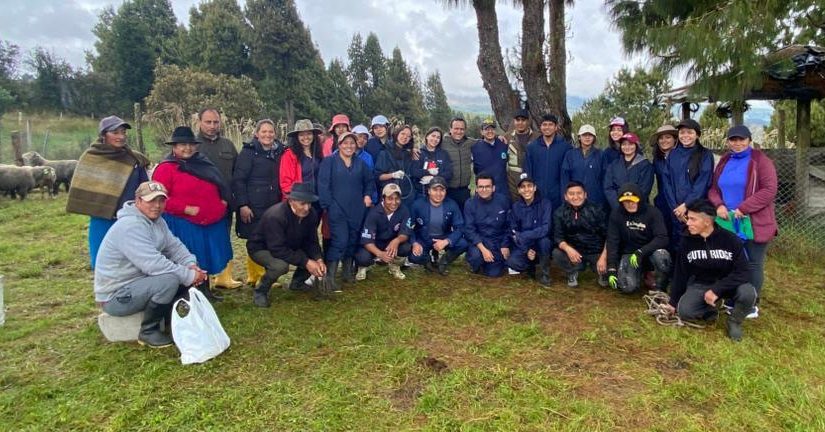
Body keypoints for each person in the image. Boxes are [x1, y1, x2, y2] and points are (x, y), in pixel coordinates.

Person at [94, 181, 208, 348]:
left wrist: (191, 265)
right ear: (138, 201)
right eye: (151, 201)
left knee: (179, 276)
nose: (157, 206)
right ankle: (148, 331)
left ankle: (170, 318)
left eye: (161, 201)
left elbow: (174, 246)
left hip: (138, 284)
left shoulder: (157, 221)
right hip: (116, 296)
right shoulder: (130, 226)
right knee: (169, 280)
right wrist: (190, 275)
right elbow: (154, 265)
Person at [152, 126, 233, 303]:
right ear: (174, 146)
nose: (187, 148)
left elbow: (219, 183)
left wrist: (223, 202)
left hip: (210, 221)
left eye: (190, 144)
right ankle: (190, 294)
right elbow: (160, 199)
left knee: (206, 256)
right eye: (182, 145)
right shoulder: (166, 169)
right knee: (192, 257)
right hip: (184, 223)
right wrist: (185, 208)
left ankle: (206, 290)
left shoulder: (202, 162)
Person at [708, 125, 777, 318]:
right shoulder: (724, 161)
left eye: (742, 139)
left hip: (753, 221)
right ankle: (731, 298)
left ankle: (750, 304)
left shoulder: (761, 161)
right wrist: (719, 205)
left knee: (753, 263)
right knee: (731, 261)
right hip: (727, 221)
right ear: (728, 141)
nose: (737, 144)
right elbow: (713, 189)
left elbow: (769, 190)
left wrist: (743, 208)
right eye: (733, 140)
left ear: (749, 140)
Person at [663, 199, 757, 341]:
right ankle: (712, 308)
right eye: (688, 218)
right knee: (685, 311)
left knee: (748, 293)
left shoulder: (730, 239)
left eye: (693, 219)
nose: (688, 223)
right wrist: (673, 302)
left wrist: (717, 289)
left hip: (729, 283)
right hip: (701, 284)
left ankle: (734, 322)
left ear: (707, 222)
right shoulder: (686, 241)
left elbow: (743, 272)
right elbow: (680, 273)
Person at [67, 115, 150, 268]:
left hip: (130, 218)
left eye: (123, 132)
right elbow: (86, 184)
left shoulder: (134, 159)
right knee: (101, 261)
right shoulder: (92, 157)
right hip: (102, 217)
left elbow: (144, 187)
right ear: (104, 134)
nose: (121, 136)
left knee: (132, 261)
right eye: (115, 132)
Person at [246, 182, 325, 307]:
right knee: (280, 266)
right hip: (261, 248)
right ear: (291, 201)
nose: (307, 208)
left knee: (316, 256)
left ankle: (297, 283)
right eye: (303, 203)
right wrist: (306, 262)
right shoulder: (276, 216)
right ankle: (261, 291)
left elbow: (312, 241)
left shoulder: (311, 214)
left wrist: (318, 259)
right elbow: (277, 249)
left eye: (309, 203)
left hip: (289, 245)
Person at [318, 132, 376, 291]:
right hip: (336, 209)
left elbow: (369, 182)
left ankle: (347, 272)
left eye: (352, 143)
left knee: (352, 240)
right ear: (339, 144)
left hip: (357, 209)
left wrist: (367, 195)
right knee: (340, 241)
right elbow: (323, 185)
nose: (349, 146)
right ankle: (329, 276)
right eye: (345, 143)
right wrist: (328, 206)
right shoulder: (329, 162)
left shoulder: (361, 163)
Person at [232, 119, 284, 286]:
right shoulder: (248, 153)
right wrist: (242, 204)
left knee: (269, 237)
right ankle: (255, 276)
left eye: (270, 132)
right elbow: (239, 180)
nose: (267, 135)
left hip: (272, 203)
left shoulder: (279, 152)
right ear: (257, 134)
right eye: (264, 132)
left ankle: (266, 272)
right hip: (253, 204)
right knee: (255, 239)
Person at [195, 108, 242, 290]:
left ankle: (224, 277)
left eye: (216, 122)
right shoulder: (193, 145)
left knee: (222, 239)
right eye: (208, 122)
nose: (212, 126)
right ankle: (202, 282)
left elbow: (237, 174)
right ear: (200, 122)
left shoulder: (227, 145)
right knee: (202, 242)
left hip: (225, 204)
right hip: (201, 206)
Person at [605, 183, 671, 294]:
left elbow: (662, 238)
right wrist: (611, 268)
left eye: (633, 200)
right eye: (626, 202)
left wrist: (641, 252)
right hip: (629, 254)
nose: (630, 204)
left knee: (662, 257)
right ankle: (639, 274)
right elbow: (612, 241)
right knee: (627, 287)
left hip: (650, 252)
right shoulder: (616, 214)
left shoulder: (653, 212)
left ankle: (660, 285)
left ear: (639, 199)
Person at [662, 118, 714, 249]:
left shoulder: (705, 155)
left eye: (689, 132)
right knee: (677, 243)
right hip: (675, 211)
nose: (685, 136)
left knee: (695, 242)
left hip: (695, 208)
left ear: (697, 135)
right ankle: (677, 269)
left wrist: (686, 206)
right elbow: (666, 182)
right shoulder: (673, 154)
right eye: (682, 132)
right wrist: (676, 209)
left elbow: (702, 183)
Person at [552, 181, 608, 287]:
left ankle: (602, 273)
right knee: (556, 253)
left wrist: (603, 257)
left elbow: (609, 236)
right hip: (575, 253)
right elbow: (557, 237)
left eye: (579, 193)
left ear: (585, 195)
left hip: (596, 252)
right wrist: (568, 249)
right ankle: (572, 272)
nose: (575, 197)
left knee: (612, 257)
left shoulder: (597, 210)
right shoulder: (559, 212)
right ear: (565, 196)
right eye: (571, 194)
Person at [408, 176, 467, 275]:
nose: (438, 194)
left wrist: (447, 241)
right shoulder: (417, 205)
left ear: (446, 192)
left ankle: (443, 262)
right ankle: (428, 262)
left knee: (463, 244)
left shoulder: (452, 205)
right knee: (414, 256)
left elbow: (460, 227)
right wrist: (414, 243)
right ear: (429, 191)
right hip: (424, 238)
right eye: (435, 190)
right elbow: (409, 227)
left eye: (442, 190)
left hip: (444, 236)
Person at [355, 183, 413, 281]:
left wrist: (397, 240)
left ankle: (394, 266)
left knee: (406, 247)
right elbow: (367, 240)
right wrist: (380, 254)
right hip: (375, 245)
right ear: (383, 198)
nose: (394, 202)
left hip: (391, 245)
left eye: (397, 198)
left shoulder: (404, 210)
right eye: (390, 198)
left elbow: (406, 232)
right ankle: (363, 267)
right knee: (362, 257)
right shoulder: (373, 213)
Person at [506, 174, 553, 286]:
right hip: (525, 245)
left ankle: (544, 273)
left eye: (529, 186)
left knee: (545, 242)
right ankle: (530, 267)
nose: (526, 189)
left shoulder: (545, 203)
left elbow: (546, 228)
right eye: (523, 187)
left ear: (535, 188)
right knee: (512, 262)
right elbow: (513, 232)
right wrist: (526, 250)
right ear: (518, 190)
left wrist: (525, 235)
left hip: (540, 242)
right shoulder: (516, 207)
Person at [463, 174, 511, 277]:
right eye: (481, 187)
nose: (484, 189)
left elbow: (509, 225)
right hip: (479, 241)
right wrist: (483, 250)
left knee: (494, 274)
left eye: (487, 186)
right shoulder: (470, 204)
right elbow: (469, 230)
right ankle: (475, 262)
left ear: (493, 188)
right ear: (476, 188)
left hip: (497, 240)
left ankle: (494, 263)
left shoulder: (503, 201)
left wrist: (505, 245)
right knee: (476, 257)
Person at [524, 113, 571, 211]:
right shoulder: (532, 147)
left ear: (556, 127)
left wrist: (565, 194)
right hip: (537, 196)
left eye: (550, 124)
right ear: (540, 127)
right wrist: (530, 193)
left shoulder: (565, 147)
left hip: (558, 196)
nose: (547, 127)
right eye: (544, 125)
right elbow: (528, 172)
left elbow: (567, 173)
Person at [603, 132, 653, 210]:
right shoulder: (613, 165)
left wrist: (631, 206)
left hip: (638, 208)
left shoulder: (645, 165)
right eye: (624, 144)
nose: (627, 147)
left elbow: (645, 189)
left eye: (630, 144)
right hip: (618, 209)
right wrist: (618, 206)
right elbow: (608, 187)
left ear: (636, 145)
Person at [561, 124, 606, 209]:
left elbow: (605, 178)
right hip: (575, 199)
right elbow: (565, 177)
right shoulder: (570, 154)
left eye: (590, 135)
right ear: (579, 137)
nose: (587, 137)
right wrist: (566, 197)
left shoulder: (601, 155)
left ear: (594, 138)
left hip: (595, 199)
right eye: (584, 135)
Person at [650, 124, 679, 246]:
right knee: (665, 233)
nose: (664, 141)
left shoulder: (681, 157)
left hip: (679, 201)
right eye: (661, 138)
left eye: (668, 137)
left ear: (674, 139)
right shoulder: (657, 159)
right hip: (663, 201)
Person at [280, 119, 323, 199]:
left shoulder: (318, 152)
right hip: (300, 200)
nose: (306, 137)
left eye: (309, 134)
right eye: (301, 135)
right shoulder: (289, 155)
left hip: (318, 197)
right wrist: (297, 199)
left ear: (313, 135)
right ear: (297, 137)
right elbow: (285, 183)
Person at [375, 124, 417, 204]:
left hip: (407, 196)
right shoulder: (385, 152)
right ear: (397, 133)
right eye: (403, 133)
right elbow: (378, 176)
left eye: (408, 136)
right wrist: (393, 175)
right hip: (390, 196)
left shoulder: (408, 154)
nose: (405, 137)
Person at [505, 108, 540, 201]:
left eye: (523, 120)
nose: (520, 123)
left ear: (528, 121)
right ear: (514, 121)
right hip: (513, 183)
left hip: (533, 179)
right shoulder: (507, 137)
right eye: (517, 120)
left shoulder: (538, 137)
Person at [440, 117, 474, 211]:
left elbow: (486, 141)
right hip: (447, 190)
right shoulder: (442, 142)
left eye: (462, 129)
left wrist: (499, 137)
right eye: (456, 128)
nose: (459, 131)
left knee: (464, 219)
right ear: (450, 129)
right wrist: (413, 149)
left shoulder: (470, 142)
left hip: (464, 191)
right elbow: (428, 145)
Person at [471, 119, 509, 199]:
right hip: (484, 190)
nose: (490, 131)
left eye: (492, 129)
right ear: (481, 132)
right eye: (486, 129)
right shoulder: (475, 147)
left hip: (502, 190)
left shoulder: (503, 144)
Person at [411, 127, 452, 196]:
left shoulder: (444, 154)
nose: (435, 139)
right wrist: (428, 171)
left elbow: (449, 173)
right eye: (433, 136)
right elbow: (414, 172)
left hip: (439, 194)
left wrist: (434, 178)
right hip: (421, 193)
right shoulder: (418, 152)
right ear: (427, 136)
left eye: (438, 137)